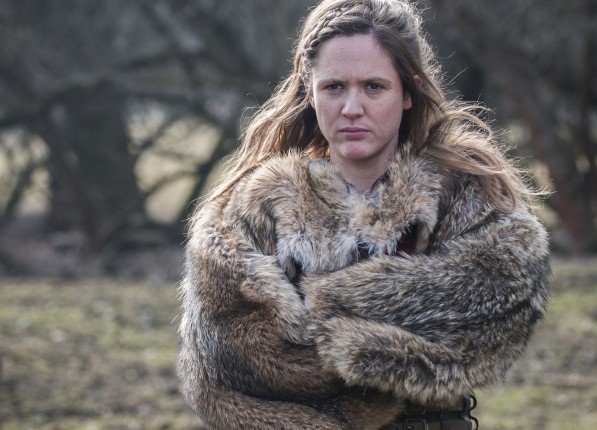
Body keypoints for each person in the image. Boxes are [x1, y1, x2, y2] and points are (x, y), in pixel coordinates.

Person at [177, 0, 550, 429]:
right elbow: (225, 361)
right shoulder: (252, 211)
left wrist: (332, 321)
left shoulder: (467, 195)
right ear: (309, 90)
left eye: (374, 87)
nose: (352, 107)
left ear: (408, 92)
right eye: (334, 87)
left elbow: (494, 313)